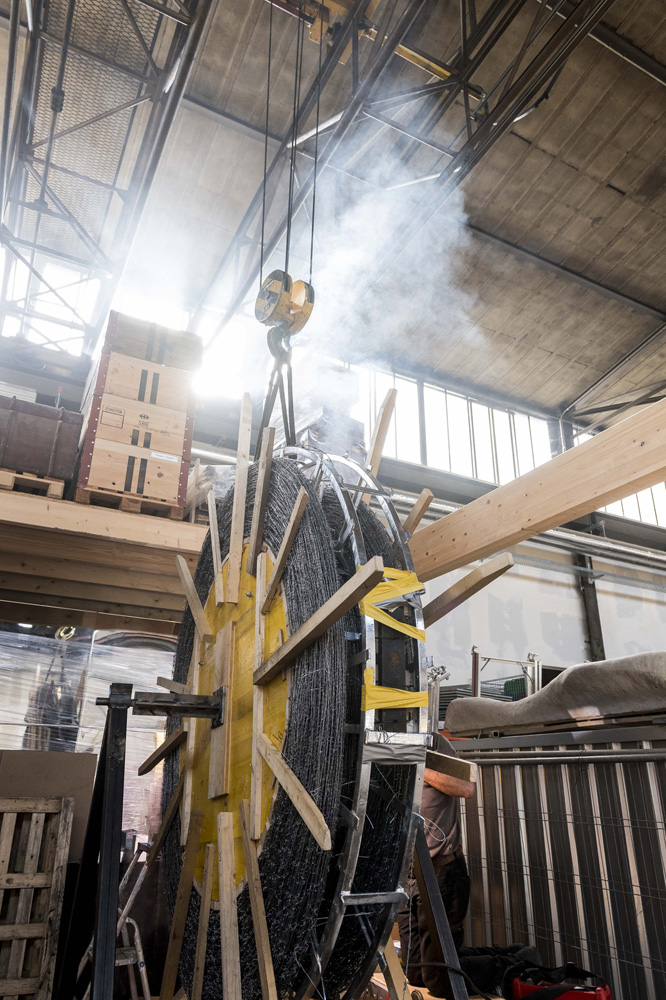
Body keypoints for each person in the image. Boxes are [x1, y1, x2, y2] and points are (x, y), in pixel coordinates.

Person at [397, 731, 475, 996]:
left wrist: (416, 766)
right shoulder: (381, 747)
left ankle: (508, 966)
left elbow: (466, 787)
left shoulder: (435, 742)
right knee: (415, 973)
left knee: (440, 980)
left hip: (441, 870)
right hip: (407, 874)